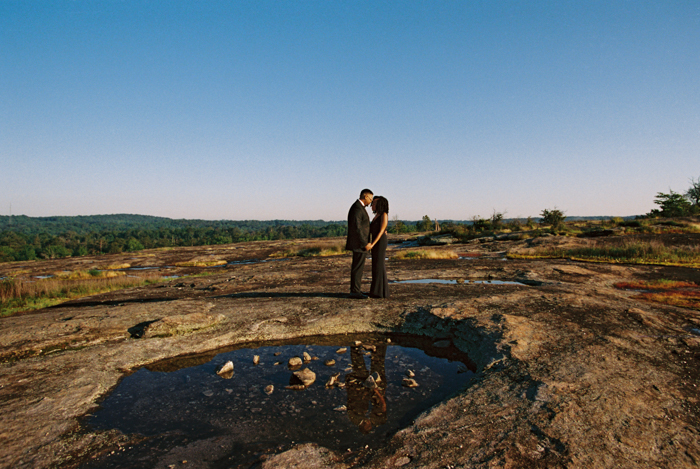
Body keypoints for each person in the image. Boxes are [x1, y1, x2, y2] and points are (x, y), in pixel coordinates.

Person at [346, 189, 373, 299]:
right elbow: (357, 228)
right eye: (370, 198)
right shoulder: (357, 208)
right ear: (365, 196)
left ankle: (357, 290)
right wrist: (365, 243)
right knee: (357, 268)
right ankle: (355, 292)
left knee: (358, 268)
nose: (371, 201)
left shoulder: (359, 207)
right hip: (359, 245)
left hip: (359, 244)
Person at [368, 196, 389, 298]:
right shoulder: (376, 216)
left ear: (380, 204)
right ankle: (379, 292)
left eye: (375, 203)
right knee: (376, 265)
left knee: (379, 265)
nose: (372, 205)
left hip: (380, 242)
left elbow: (381, 231)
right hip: (376, 242)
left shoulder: (384, 215)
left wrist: (372, 244)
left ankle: (379, 292)